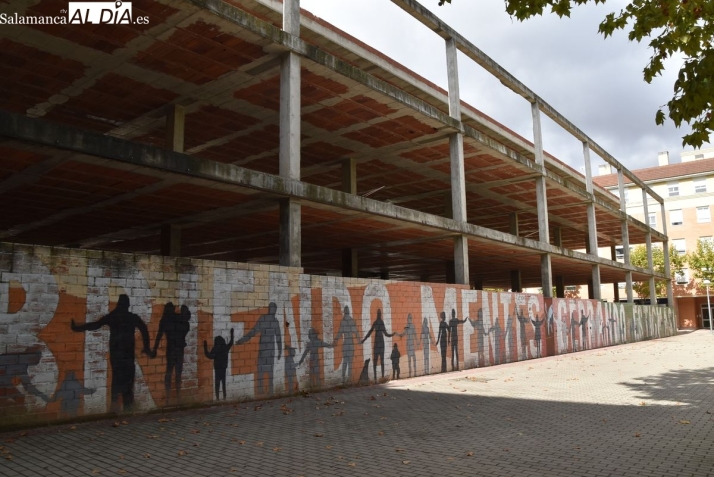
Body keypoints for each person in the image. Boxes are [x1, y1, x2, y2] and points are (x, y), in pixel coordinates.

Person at [71, 294, 152, 412]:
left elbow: (95, 325)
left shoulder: (113, 316)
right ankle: (128, 407)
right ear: (128, 305)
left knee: (116, 380)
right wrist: (146, 347)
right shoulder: (131, 317)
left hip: (116, 355)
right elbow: (144, 329)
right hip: (128, 355)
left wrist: (77, 328)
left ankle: (114, 406)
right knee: (128, 382)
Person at [237, 302, 282, 395]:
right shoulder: (267, 319)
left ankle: (268, 391)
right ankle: (264, 391)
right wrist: (242, 340)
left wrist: (280, 351)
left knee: (268, 373)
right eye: (272, 308)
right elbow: (253, 331)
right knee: (263, 372)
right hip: (265, 351)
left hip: (269, 351)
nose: (273, 310)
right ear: (270, 309)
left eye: (274, 309)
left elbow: (278, 338)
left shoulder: (271, 321)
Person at [152, 302, 191, 404]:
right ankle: (177, 396)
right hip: (178, 349)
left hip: (171, 349)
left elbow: (159, 336)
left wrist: (154, 349)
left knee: (169, 372)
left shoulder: (165, 320)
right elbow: (186, 322)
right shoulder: (178, 319)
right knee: (177, 373)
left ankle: (168, 397)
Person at [361, 309, 396, 382]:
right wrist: (364, 339)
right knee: (376, 361)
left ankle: (380, 377)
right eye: (379, 313)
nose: (379, 315)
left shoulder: (378, 322)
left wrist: (392, 334)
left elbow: (385, 333)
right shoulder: (377, 322)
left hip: (379, 343)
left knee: (380, 360)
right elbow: (371, 332)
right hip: (377, 343)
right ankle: (376, 378)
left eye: (380, 313)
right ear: (378, 314)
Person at [204, 329, 234, 400]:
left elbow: (209, 356)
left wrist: (205, 347)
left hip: (217, 369)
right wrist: (232, 334)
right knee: (223, 383)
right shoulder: (225, 348)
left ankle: (217, 398)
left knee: (217, 384)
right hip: (223, 368)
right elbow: (231, 343)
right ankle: (224, 396)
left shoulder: (216, 348)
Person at [333, 306, 359, 384]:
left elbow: (340, 332)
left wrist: (336, 339)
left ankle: (343, 378)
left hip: (345, 343)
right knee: (350, 362)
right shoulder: (352, 321)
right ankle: (349, 379)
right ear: (349, 312)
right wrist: (359, 341)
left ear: (344, 312)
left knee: (345, 361)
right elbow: (356, 332)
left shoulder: (343, 322)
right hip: (351, 343)